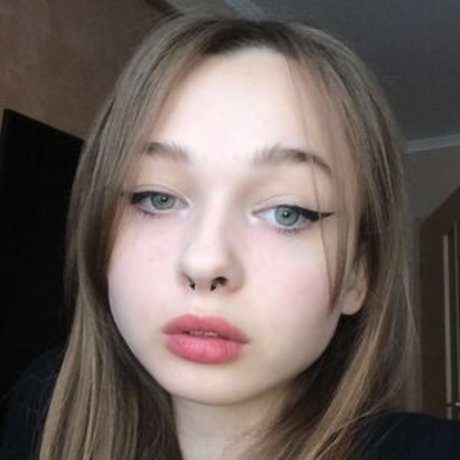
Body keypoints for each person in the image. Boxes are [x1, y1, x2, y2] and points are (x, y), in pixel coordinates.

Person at [2, 14, 460, 460]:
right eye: (156, 197)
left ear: (359, 274)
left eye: (287, 212)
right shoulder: (45, 415)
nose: (204, 262)